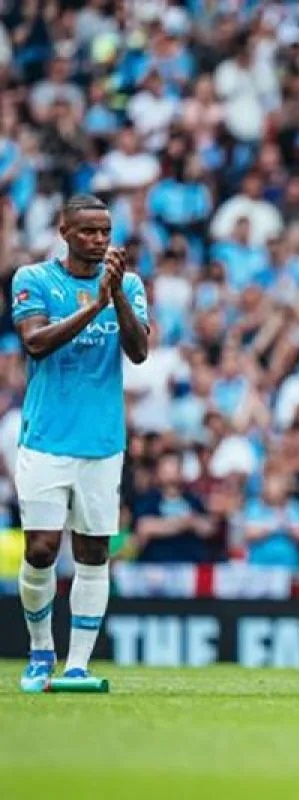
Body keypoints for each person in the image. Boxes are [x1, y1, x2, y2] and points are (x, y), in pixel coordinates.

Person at [15, 194, 150, 692]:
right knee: (43, 548)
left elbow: (138, 352)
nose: (98, 240)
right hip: (47, 438)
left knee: (94, 551)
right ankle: (39, 649)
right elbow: (35, 342)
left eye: (105, 232)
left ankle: (76, 664)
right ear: (64, 231)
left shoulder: (129, 285)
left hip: (103, 441)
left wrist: (113, 296)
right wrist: (95, 305)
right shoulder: (33, 279)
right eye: (89, 231)